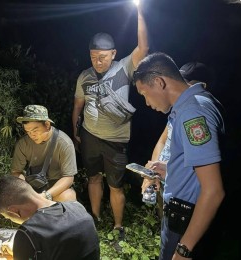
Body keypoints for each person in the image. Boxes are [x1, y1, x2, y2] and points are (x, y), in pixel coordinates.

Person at [133, 52, 225, 260]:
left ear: (159, 82)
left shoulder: (193, 113)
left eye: (145, 94)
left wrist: (184, 249)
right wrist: (170, 170)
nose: (147, 103)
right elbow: (199, 167)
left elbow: (213, 191)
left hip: (187, 220)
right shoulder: (191, 105)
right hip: (181, 214)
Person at [71, 1, 149, 238]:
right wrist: (75, 133)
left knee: (115, 185)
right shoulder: (84, 76)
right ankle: (94, 219)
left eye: (103, 56)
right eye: (94, 56)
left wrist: (140, 10)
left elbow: (144, 48)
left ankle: (118, 226)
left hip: (116, 141)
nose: (98, 61)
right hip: (90, 136)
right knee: (94, 178)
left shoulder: (124, 68)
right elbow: (77, 106)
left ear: (113, 54)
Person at [144, 61, 214, 219]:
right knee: (165, 219)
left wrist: (170, 170)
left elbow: (205, 177)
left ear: (201, 86)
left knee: (178, 228)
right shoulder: (177, 111)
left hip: (181, 190)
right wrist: (152, 172)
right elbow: (162, 141)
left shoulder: (197, 115)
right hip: (163, 179)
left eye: (186, 84)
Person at [0, 175, 100, 260]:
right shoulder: (77, 207)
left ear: (14, 211)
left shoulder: (29, 233)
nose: (10, 220)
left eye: (8, 217)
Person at [11, 105, 77, 202]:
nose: (32, 135)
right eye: (28, 131)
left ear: (47, 124)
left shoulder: (64, 143)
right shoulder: (23, 144)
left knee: (68, 196)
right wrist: (27, 192)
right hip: (32, 186)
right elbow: (16, 172)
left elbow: (68, 178)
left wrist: (46, 195)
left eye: (35, 130)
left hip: (56, 187)